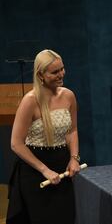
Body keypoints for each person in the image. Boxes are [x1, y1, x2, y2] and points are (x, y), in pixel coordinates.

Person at [6, 49, 80, 224]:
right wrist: (44, 170)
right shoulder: (29, 101)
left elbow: (72, 130)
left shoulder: (69, 96)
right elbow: (16, 144)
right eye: (55, 72)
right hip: (34, 171)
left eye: (62, 68)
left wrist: (74, 158)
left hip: (62, 165)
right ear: (40, 75)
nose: (61, 74)